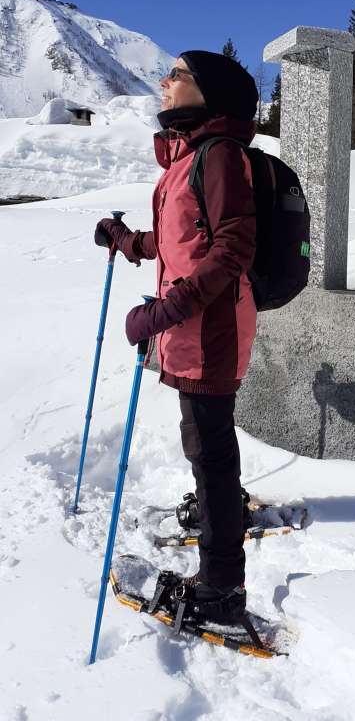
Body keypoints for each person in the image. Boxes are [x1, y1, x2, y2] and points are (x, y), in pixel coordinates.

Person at [95, 51, 258, 624]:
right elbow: (180, 241)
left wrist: (165, 311)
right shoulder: (190, 156)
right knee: (208, 441)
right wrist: (126, 241)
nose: (164, 82)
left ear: (209, 91)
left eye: (179, 74)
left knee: (209, 449)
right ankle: (222, 510)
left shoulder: (220, 155)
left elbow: (233, 249)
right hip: (193, 327)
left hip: (210, 329)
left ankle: (221, 590)